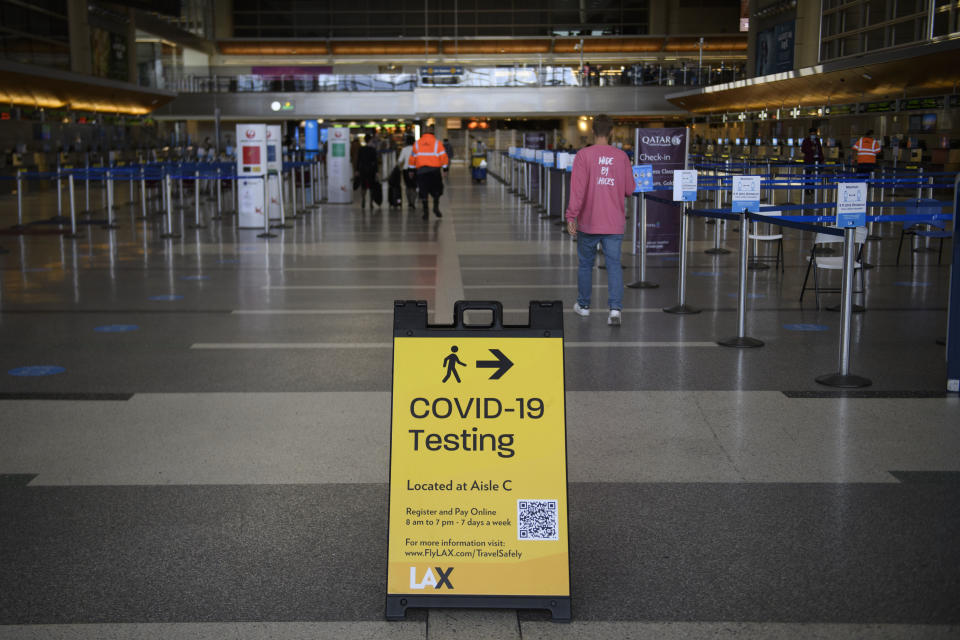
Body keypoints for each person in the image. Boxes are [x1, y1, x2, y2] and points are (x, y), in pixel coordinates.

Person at [565, 114, 634, 326]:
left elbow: (577, 190)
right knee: (614, 265)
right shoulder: (621, 156)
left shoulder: (583, 156)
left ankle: (584, 306)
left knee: (586, 264)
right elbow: (630, 189)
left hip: (589, 221)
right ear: (612, 132)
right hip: (614, 222)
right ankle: (614, 310)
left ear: (593, 131)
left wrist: (571, 216)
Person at [412, 124, 449, 219]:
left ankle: (425, 212)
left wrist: (411, 169)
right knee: (436, 190)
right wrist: (445, 169)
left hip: (421, 172)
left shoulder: (417, 143)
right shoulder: (437, 143)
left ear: (423, 133)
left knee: (423, 191)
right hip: (434, 171)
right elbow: (443, 157)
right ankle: (436, 208)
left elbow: (413, 158)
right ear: (433, 133)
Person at [356, 134, 380, 209]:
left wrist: (357, 170)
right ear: (370, 140)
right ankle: (371, 202)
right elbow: (375, 161)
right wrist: (377, 171)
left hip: (363, 169)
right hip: (371, 170)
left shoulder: (361, 149)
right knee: (371, 186)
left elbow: (358, 160)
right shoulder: (373, 149)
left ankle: (363, 199)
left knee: (363, 186)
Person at [396, 134, 419, 210]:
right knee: (414, 187)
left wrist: (398, 167)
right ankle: (413, 201)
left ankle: (409, 202)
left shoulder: (404, 149)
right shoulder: (416, 149)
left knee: (408, 187)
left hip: (406, 170)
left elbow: (400, 160)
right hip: (415, 170)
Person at [800, 128, 824, 195]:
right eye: (812, 134)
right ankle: (807, 189)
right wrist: (810, 149)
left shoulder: (817, 140)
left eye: (814, 134)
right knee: (808, 175)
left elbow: (820, 150)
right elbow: (803, 150)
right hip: (809, 160)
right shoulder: (806, 141)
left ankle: (813, 188)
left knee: (815, 175)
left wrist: (822, 159)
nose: (813, 135)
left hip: (816, 160)